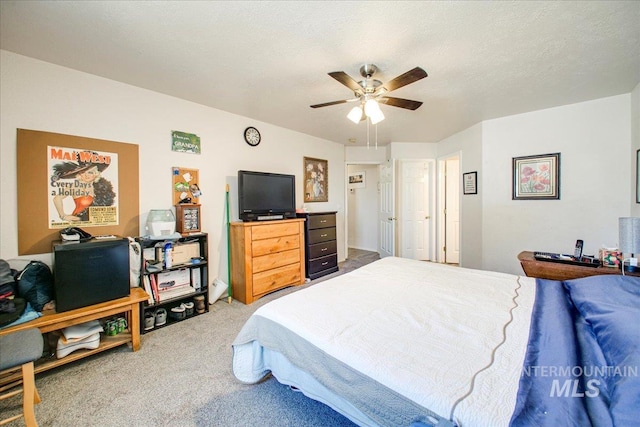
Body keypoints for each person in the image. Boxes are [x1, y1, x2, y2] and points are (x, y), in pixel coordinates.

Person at [52, 152, 115, 222]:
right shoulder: (74, 186)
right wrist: (63, 216)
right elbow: (57, 199)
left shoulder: (102, 188)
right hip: (79, 220)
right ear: (79, 174)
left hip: (96, 222)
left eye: (90, 172)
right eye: (82, 172)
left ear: (96, 174)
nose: (86, 175)